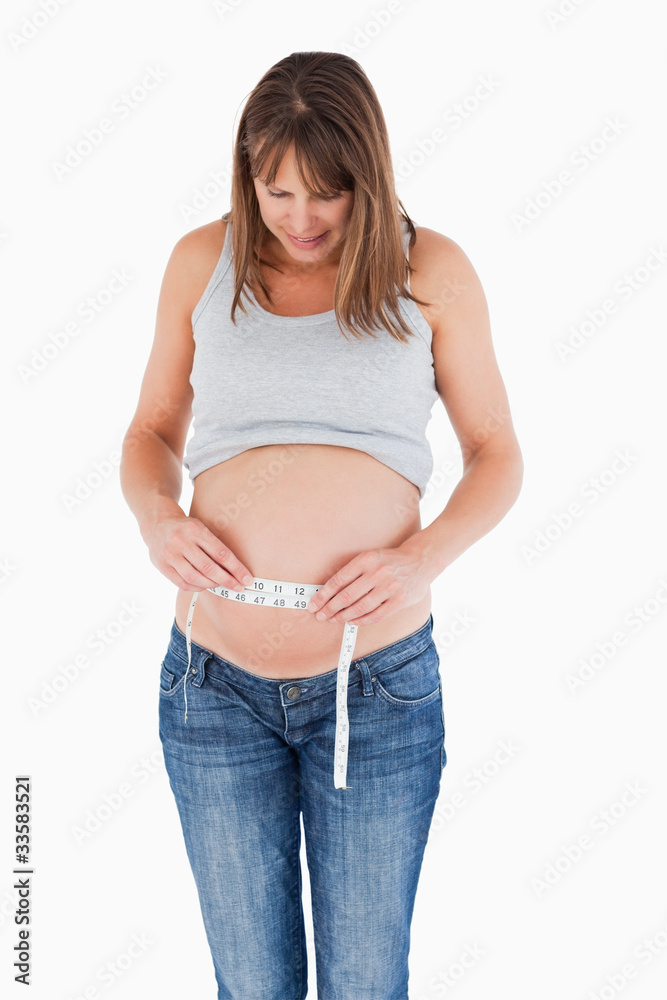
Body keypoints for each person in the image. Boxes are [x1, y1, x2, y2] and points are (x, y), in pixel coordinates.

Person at [120, 49, 523, 1000]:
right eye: (277, 192)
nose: (301, 219)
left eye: (328, 194)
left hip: (374, 687)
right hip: (213, 686)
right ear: (247, 174)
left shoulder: (430, 270)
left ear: (366, 177)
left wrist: (421, 559)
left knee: (365, 984)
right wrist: (157, 519)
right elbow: (149, 433)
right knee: (251, 986)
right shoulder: (201, 262)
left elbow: (496, 452)